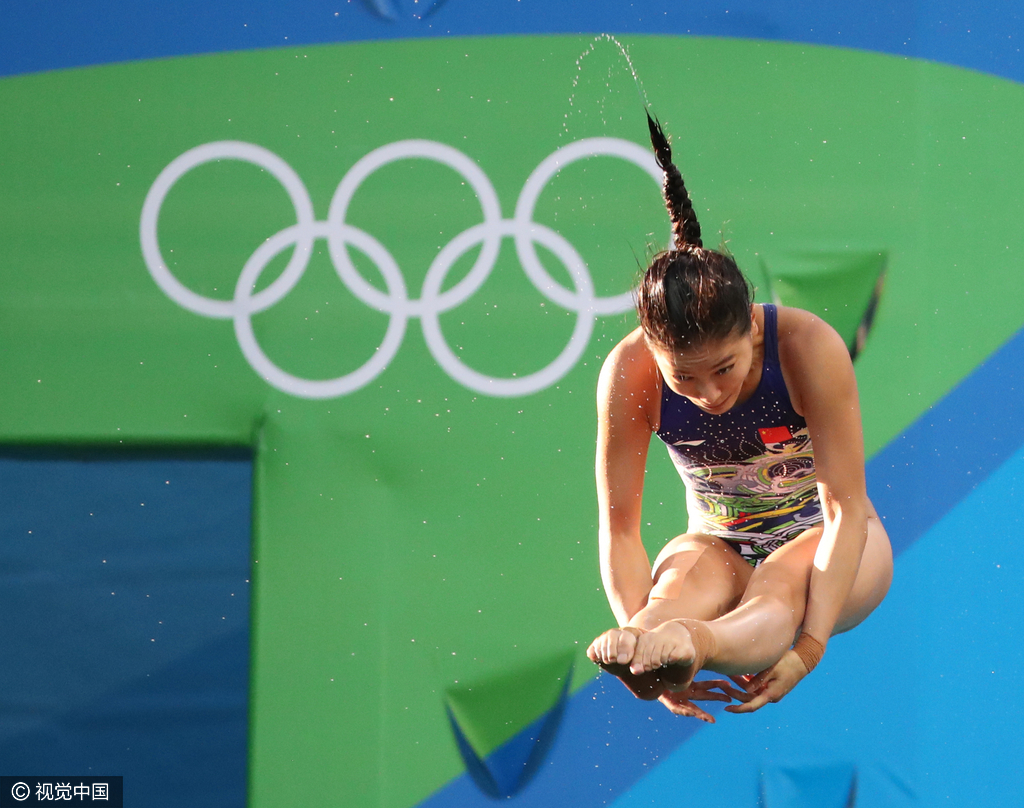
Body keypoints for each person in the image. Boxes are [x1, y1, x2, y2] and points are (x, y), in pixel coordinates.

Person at [585, 115, 893, 722]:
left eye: (723, 369)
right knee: (676, 583)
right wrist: (643, 642)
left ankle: (698, 642)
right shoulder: (629, 372)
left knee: (776, 582)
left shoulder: (806, 347)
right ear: (653, 354)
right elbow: (621, 531)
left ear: (752, 328)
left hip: (837, 546)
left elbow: (843, 510)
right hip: (722, 546)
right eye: (684, 378)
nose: (707, 393)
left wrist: (808, 648)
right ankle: (659, 639)